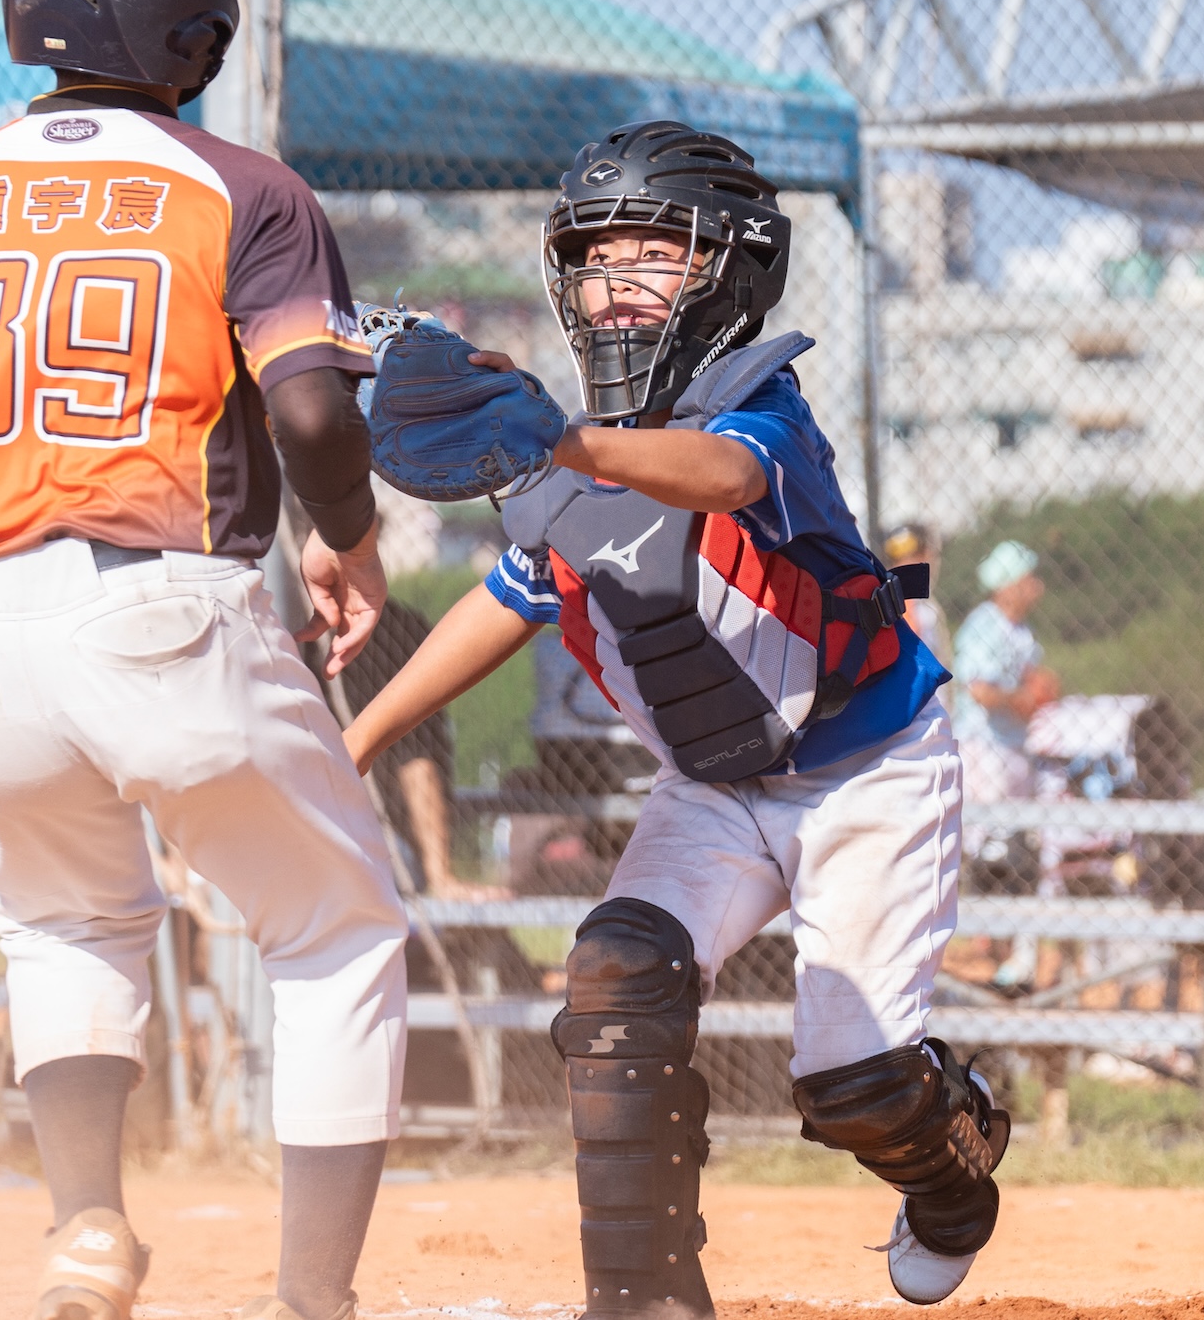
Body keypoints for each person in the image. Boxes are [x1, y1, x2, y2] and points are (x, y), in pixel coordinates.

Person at [0, 0, 403, 1320]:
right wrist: (345, 538)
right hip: (155, 605)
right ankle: (310, 1299)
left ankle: (88, 1227)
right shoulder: (245, 188)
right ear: (194, 32)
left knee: (66, 923)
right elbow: (307, 415)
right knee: (337, 925)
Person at [345, 122, 1004, 1316]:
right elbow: (504, 604)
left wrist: (568, 442)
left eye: (653, 255)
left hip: (865, 772)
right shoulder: (559, 458)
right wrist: (353, 744)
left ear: (729, 275)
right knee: (612, 982)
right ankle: (643, 1298)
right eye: (595, 261)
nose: (614, 288)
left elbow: (722, 477)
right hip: (709, 788)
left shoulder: (759, 406)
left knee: (850, 1086)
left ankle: (954, 1168)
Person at [322, 599, 503, 902]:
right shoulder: (276, 630)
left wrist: (440, 876)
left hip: (376, 836)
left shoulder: (393, 630)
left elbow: (416, 757)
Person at [950, 539, 1059, 804]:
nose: (1037, 586)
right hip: (984, 745)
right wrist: (1020, 699)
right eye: (1029, 578)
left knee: (1016, 833)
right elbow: (979, 691)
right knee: (990, 838)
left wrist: (1041, 688)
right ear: (1008, 586)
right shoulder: (985, 624)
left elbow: (1029, 678)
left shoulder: (1023, 631)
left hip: (1015, 741)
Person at [879, 523, 950, 665]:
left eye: (913, 557)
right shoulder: (896, 601)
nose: (905, 565)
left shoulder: (927, 604)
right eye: (898, 560)